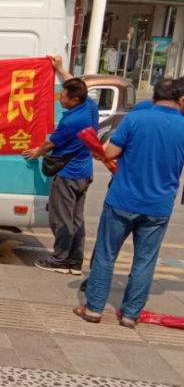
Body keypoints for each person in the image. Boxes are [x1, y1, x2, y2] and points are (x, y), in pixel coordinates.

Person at [74, 78, 184, 328]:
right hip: (158, 206)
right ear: (179, 99)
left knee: (106, 255)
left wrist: (99, 150)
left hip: (122, 200)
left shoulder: (136, 118)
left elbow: (110, 152)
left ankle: (94, 309)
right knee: (145, 261)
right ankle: (130, 314)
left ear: (154, 96)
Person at [22, 77, 99, 275]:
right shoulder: (90, 107)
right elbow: (77, 83)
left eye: (63, 97)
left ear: (75, 100)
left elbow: (50, 143)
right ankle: (74, 261)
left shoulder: (71, 121)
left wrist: (37, 152)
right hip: (84, 172)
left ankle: (59, 259)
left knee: (61, 219)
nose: (60, 99)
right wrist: (61, 69)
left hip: (68, 175)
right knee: (76, 219)